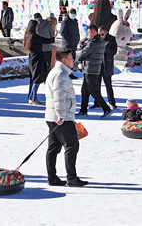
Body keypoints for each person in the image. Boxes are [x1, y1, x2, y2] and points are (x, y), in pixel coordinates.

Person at [44, 47, 87, 187]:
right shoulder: (60, 75)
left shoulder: (58, 72)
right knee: (71, 146)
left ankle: (52, 177)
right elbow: (59, 97)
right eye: (70, 58)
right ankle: (71, 178)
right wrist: (61, 116)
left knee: (54, 147)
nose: (73, 60)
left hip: (54, 116)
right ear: (63, 60)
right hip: (60, 117)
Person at [75, 25, 112, 118]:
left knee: (94, 91)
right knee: (84, 91)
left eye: (89, 32)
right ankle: (83, 110)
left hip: (90, 69)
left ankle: (106, 109)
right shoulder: (100, 41)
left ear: (94, 32)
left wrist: (79, 51)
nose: (88, 34)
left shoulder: (93, 43)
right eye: (88, 32)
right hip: (92, 68)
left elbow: (82, 54)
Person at [97, 26, 118, 110]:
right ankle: (97, 103)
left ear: (106, 32)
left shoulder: (111, 39)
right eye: (99, 34)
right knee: (97, 85)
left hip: (107, 65)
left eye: (102, 34)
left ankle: (112, 102)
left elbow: (114, 52)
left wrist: (105, 48)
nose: (100, 36)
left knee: (108, 85)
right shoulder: (97, 39)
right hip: (98, 65)